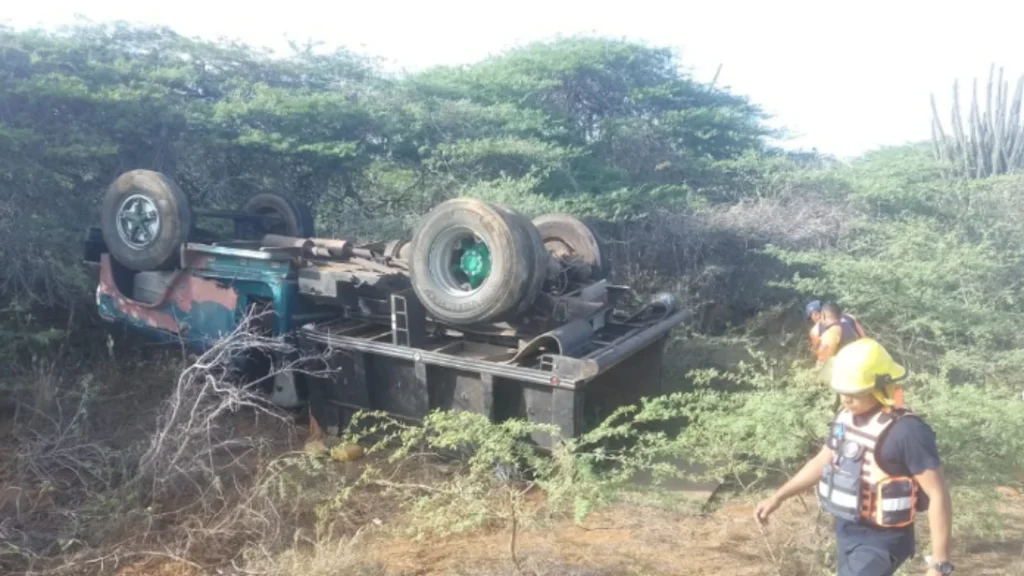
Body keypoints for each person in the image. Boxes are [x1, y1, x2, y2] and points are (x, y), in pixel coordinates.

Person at [754, 338, 953, 576]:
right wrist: (778, 497)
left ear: (880, 388)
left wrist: (939, 563)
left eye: (854, 393)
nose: (846, 399)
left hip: (884, 540)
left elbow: (937, 493)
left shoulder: (908, 431)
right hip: (847, 530)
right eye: (842, 392)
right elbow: (822, 460)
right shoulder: (845, 418)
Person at [815, 302, 866, 368]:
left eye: (821, 317)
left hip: (846, 369)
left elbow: (822, 363)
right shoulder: (849, 320)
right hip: (862, 362)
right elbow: (865, 339)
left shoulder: (830, 334)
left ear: (824, 316)